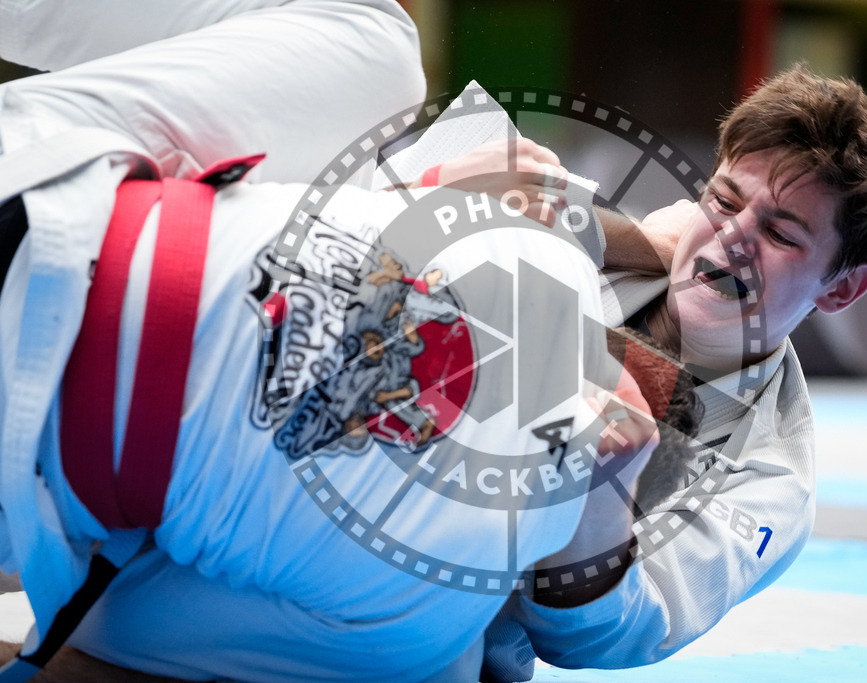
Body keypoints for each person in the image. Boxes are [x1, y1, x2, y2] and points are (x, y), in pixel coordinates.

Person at [0, 2, 668, 681]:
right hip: (37, 365)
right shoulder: (417, 626)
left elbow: (96, 634)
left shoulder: (533, 257)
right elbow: (97, 630)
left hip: (48, 212)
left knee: (379, 50)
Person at [480, 65, 867, 679]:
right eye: (724, 201)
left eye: (780, 234)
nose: (733, 239)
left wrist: (600, 497)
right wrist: (596, 232)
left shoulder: (768, 480)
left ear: (841, 290)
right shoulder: (607, 249)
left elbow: (604, 636)